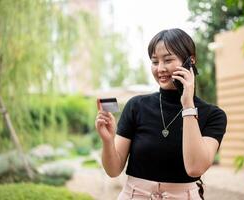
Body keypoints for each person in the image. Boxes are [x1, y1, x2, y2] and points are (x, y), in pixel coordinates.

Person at [95, 28, 227, 200]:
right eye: (155, 62)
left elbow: (195, 167)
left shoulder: (214, 115)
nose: (160, 69)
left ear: (190, 61)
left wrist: (187, 105)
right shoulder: (136, 106)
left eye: (168, 60)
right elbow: (113, 170)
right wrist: (107, 140)